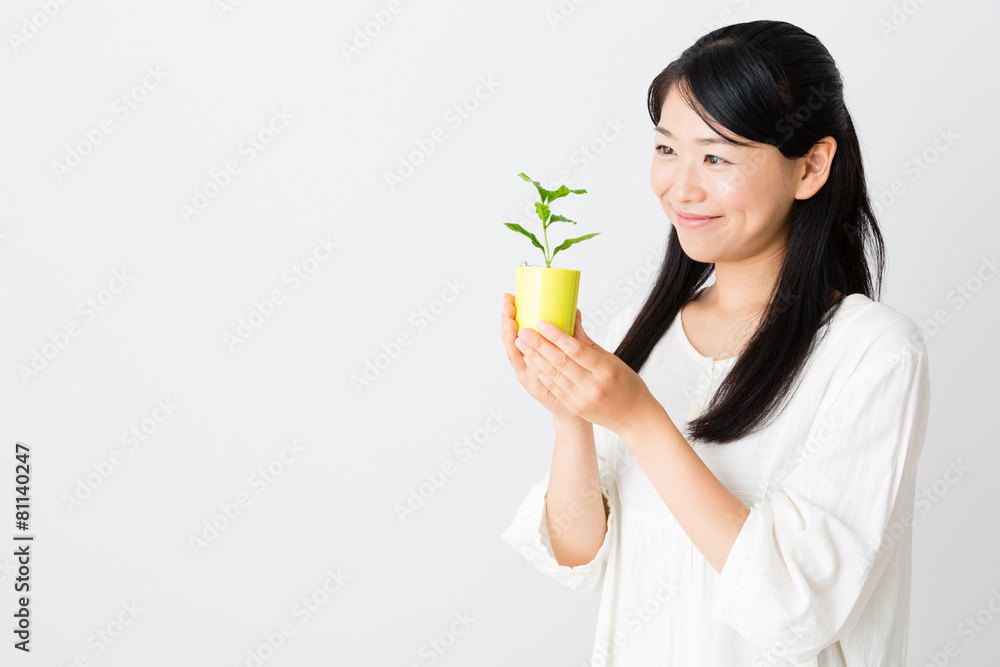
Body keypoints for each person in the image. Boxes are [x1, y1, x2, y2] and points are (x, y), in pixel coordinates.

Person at [498, 19, 931, 666]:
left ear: (811, 166)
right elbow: (580, 553)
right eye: (666, 148)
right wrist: (572, 419)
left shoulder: (874, 354)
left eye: (717, 157)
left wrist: (639, 418)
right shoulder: (641, 334)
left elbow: (793, 605)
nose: (681, 188)